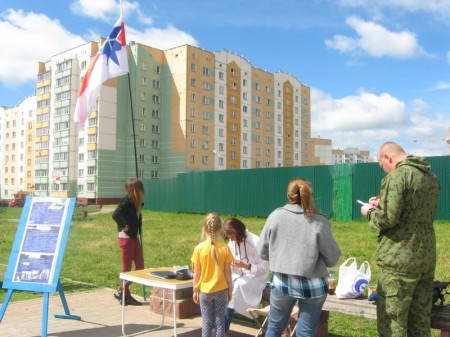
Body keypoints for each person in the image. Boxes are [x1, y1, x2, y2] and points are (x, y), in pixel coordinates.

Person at [360, 142, 440, 337]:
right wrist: (383, 203)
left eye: (382, 166)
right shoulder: (430, 176)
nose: (384, 171)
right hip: (425, 257)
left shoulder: (397, 176)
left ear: (388, 158)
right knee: (419, 321)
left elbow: (388, 219)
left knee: (392, 322)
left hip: (399, 260)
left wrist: (370, 212)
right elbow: (413, 210)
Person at [257, 177, 341, 337]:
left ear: (289, 196)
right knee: (306, 332)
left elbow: (261, 251)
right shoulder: (319, 221)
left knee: (274, 328)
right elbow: (332, 259)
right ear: (309, 195)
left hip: (282, 283)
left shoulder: (275, 216)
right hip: (313, 287)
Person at [222, 218, 269, 334]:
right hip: (238, 274)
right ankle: (219, 326)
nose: (230, 239)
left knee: (237, 287)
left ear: (238, 231)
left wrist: (246, 266)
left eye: (231, 236)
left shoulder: (255, 242)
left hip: (255, 277)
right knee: (223, 284)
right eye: (227, 237)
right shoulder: (231, 242)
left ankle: (223, 330)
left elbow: (265, 267)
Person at [191, 213, 233, 337]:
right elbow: (228, 272)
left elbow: (196, 274)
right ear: (220, 229)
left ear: (204, 229)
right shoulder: (225, 249)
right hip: (221, 290)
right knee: (220, 322)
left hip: (204, 291)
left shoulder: (199, 249)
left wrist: (195, 290)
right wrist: (230, 289)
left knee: (207, 322)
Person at [112, 178, 145, 306]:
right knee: (126, 269)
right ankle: (124, 293)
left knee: (140, 268)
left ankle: (122, 291)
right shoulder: (125, 201)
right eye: (140, 189)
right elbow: (116, 215)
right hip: (126, 238)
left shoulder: (136, 202)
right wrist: (125, 225)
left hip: (134, 237)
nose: (143, 191)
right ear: (135, 190)